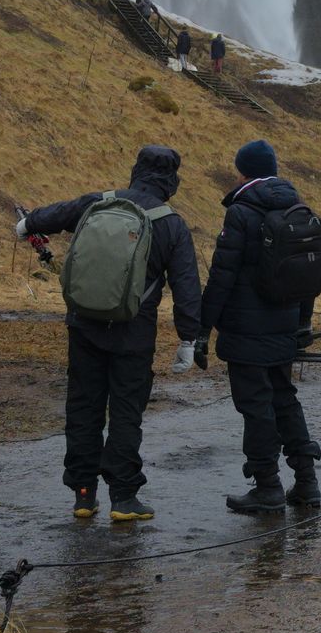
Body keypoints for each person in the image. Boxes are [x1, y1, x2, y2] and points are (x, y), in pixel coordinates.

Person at [16, 145, 204, 526]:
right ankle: (124, 496)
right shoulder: (171, 224)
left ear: (135, 171)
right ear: (171, 181)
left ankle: (83, 495)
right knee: (125, 412)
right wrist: (188, 340)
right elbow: (187, 288)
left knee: (83, 407)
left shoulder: (98, 203)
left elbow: (56, 214)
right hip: (134, 334)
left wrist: (27, 224)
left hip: (84, 324)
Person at [197, 139, 321, 513]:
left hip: (245, 331)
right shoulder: (298, 207)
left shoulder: (240, 213)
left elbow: (221, 276)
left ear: (244, 171)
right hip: (285, 327)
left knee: (256, 407)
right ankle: (307, 484)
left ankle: (267, 486)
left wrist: (203, 329)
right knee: (285, 399)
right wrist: (303, 322)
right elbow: (309, 273)